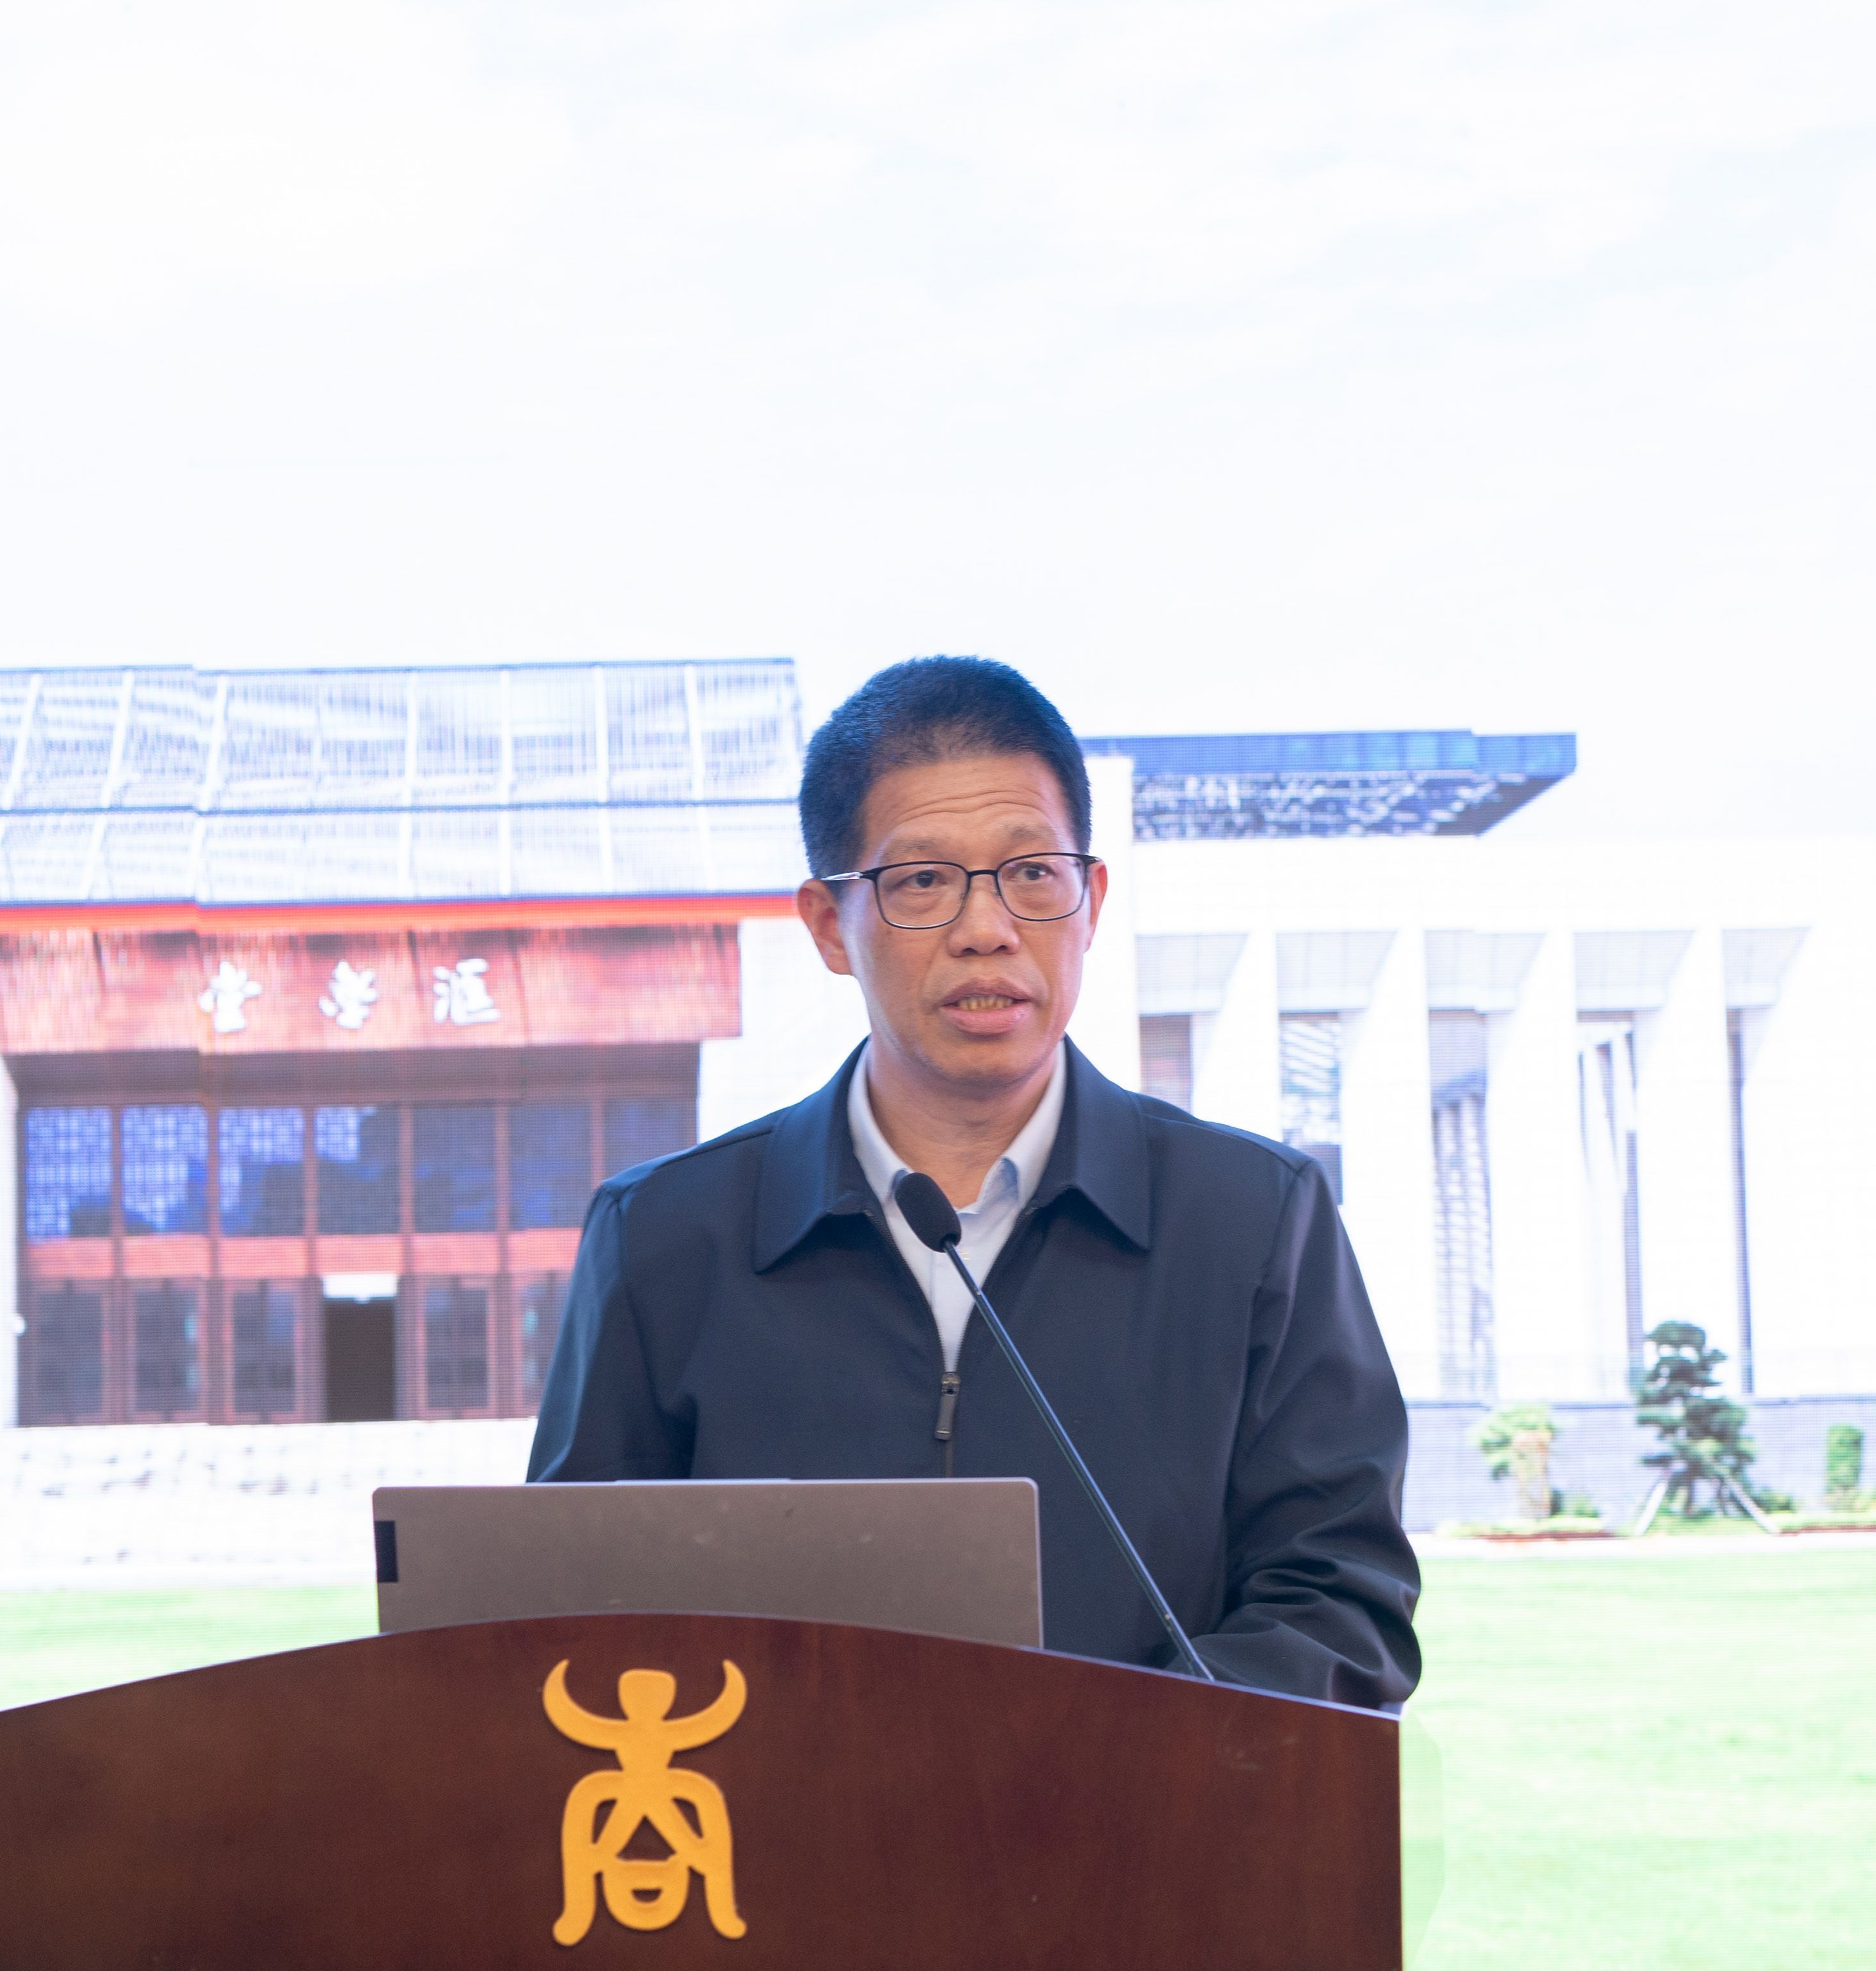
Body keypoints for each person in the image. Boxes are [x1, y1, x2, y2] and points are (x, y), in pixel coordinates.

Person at [526, 656, 1419, 1707]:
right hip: (775, 1812)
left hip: (1144, 1811)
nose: (986, 928)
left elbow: (1339, 1603)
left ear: (1089, 901)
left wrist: (1110, 1755)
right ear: (828, 926)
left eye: (1032, 873)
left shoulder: (1256, 1219)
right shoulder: (663, 1236)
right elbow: (573, 1607)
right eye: (921, 882)